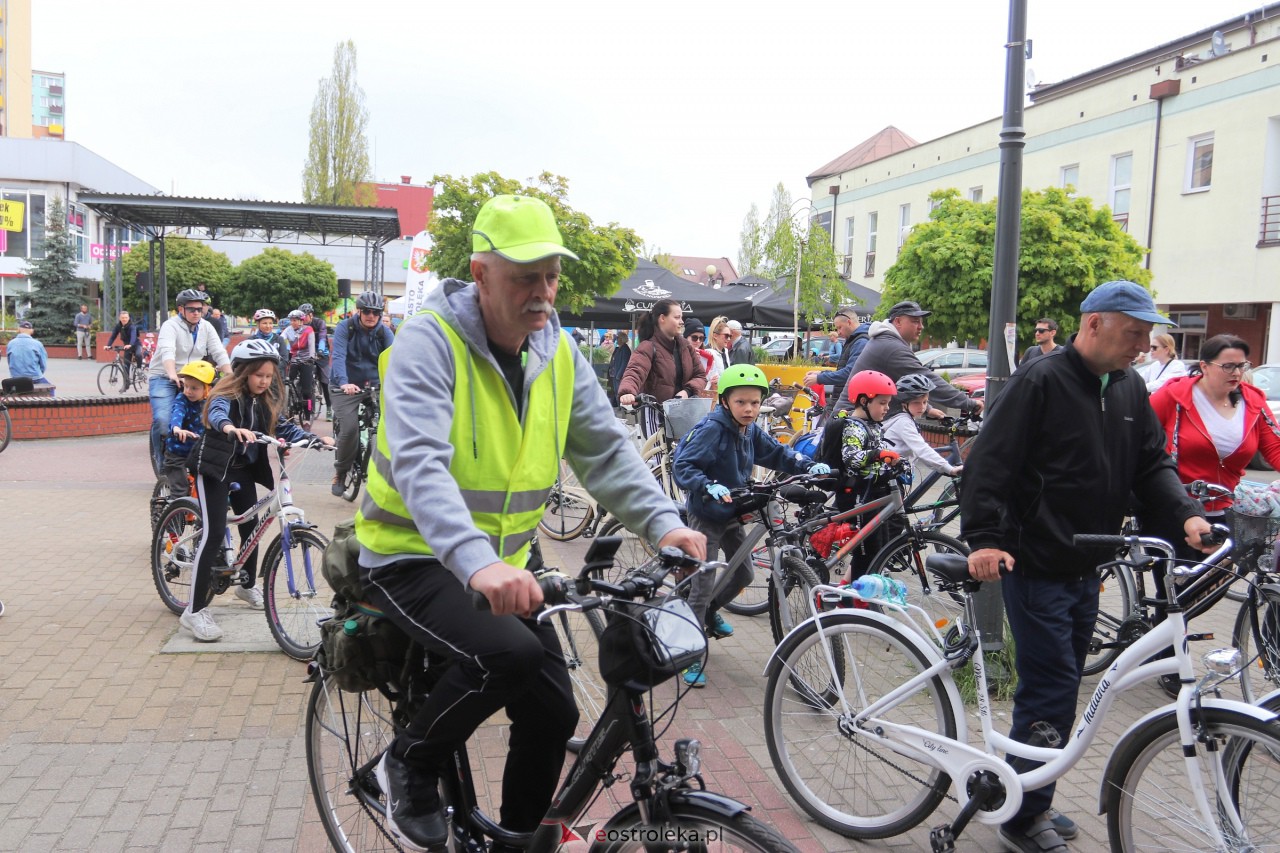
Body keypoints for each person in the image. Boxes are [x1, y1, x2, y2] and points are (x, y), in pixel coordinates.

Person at [352, 194, 704, 850]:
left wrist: (664, 523)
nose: (542, 292)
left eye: (551, 276)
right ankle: (406, 763)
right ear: (480, 275)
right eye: (524, 277)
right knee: (506, 654)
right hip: (410, 553)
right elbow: (420, 463)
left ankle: (516, 843)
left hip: (504, 564)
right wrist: (478, 563)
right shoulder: (429, 342)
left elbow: (604, 450)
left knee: (555, 709)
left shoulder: (558, 351)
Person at [960, 280, 1212, 853]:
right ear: (1094, 323)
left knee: (1064, 684)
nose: (1143, 346)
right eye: (1134, 333)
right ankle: (1023, 816)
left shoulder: (1127, 387)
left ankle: (1022, 790)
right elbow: (989, 463)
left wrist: (1186, 515)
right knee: (1051, 688)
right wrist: (984, 539)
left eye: (1148, 336)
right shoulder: (1040, 380)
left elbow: (1151, 464)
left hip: (1087, 564)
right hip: (1035, 561)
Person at [672, 364, 831, 685]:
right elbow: (683, 465)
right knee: (702, 584)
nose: (749, 409)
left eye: (755, 403)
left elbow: (776, 453)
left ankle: (708, 611)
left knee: (744, 573)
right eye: (741, 402)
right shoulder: (713, 429)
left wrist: (807, 464)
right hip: (707, 513)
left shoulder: (749, 429)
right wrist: (706, 485)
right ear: (724, 401)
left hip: (732, 510)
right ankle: (688, 652)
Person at [181, 339, 333, 644]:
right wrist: (229, 428)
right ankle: (194, 611)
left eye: (268, 376)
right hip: (214, 467)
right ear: (243, 372)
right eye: (258, 375)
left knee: (251, 526)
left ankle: (247, 585)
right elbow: (217, 414)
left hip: (243, 469)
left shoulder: (266, 400)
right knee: (213, 533)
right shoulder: (226, 394)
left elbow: (283, 427)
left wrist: (314, 439)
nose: (264, 381)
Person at [1147, 333, 1280, 554]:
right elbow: (1137, 435)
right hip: (1176, 508)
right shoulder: (1175, 396)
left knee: (1217, 574)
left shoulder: (1252, 402)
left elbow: (1275, 448)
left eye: (1241, 366)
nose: (1236, 373)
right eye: (1228, 366)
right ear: (1204, 366)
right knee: (1179, 574)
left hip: (1226, 509)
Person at [836, 300, 981, 419]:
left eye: (921, 322)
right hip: (853, 424)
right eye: (915, 321)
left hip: (856, 419)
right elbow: (925, 380)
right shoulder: (892, 347)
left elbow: (904, 385)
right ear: (898, 321)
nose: (921, 327)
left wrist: (927, 409)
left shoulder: (887, 341)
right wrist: (970, 404)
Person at [818, 370, 901, 577]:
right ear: (864, 401)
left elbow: (880, 452)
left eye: (888, 403)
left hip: (873, 492)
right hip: (858, 495)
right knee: (866, 551)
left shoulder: (872, 425)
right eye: (882, 403)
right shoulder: (853, 427)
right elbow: (851, 457)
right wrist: (878, 455)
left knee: (880, 546)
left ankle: (863, 587)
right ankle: (855, 593)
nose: (887, 408)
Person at [148, 289, 231, 473]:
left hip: (192, 377)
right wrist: (172, 374)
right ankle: (162, 465)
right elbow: (167, 351)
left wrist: (231, 377)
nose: (196, 313)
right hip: (164, 376)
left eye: (199, 309)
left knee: (204, 418)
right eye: (191, 309)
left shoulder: (206, 327)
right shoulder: (170, 326)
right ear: (181, 309)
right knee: (163, 421)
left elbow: (219, 351)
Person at [329, 291, 394, 496]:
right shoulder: (345, 328)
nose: (371, 316)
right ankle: (341, 472)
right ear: (359, 311)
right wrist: (344, 382)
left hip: (375, 386)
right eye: (367, 311)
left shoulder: (385, 333)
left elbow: (394, 360)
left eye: (376, 312)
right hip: (345, 386)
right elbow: (338, 356)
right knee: (349, 430)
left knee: (391, 426)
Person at [616, 298, 707, 406]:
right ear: (662, 318)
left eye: (681, 317)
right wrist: (627, 392)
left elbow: (700, 376)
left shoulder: (686, 347)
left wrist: (687, 391)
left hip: (685, 413)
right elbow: (635, 372)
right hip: (656, 413)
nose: (682, 321)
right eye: (677, 317)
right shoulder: (647, 347)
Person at [881, 373, 963, 478]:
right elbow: (922, 449)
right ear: (904, 404)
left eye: (925, 402)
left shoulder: (906, 419)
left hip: (894, 471)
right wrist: (949, 469)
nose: (922, 407)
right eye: (916, 403)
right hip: (887, 474)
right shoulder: (904, 423)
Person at [162, 360, 215, 499]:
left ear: (207, 389)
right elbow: (177, 413)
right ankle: (175, 511)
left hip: (198, 452)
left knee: (207, 485)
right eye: (186, 386)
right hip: (177, 452)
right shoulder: (182, 399)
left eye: (194, 388)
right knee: (180, 489)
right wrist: (177, 428)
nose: (188, 391)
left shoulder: (210, 404)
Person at [803, 307, 865, 394]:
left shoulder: (860, 342)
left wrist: (819, 378)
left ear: (849, 322)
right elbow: (844, 370)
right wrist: (821, 373)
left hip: (851, 395)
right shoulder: (854, 340)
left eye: (840, 327)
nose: (838, 332)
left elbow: (850, 373)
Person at [282, 310, 317, 428]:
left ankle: (307, 417)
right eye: (291, 320)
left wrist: (311, 357)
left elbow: (311, 345)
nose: (293, 322)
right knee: (287, 382)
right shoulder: (288, 330)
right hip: (294, 360)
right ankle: (289, 404)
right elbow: (281, 341)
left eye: (295, 320)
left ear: (301, 321)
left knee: (307, 391)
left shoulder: (308, 330)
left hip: (306, 361)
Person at [299, 304, 331, 417]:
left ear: (311, 315)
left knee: (325, 381)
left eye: (305, 316)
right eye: (301, 317)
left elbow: (322, 337)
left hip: (321, 352)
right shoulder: (299, 325)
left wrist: (321, 350)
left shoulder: (319, 323)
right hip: (306, 352)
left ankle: (329, 407)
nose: (302, 319)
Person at [5, 321, 49, 385]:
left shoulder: (10, 344)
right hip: (35, 378)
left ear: (19, 329)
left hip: (15, 378)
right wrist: (37, 374)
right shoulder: (37, 344)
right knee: (50, 389)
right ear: (32, 331)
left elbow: (10, 362)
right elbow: (43, 365)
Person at [105, 310, 143, 374]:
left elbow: (133, 336)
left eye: (126, 317)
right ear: (119, 318)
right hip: (127, 346)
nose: (124, 319)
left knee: (138, 355)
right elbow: (113, 336)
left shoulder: (132, 326)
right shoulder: (118, 326)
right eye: (122, 318)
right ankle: (126, 380)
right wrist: (108, 345)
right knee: (126, 366)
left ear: (128, 318)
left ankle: (139, 368)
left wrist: (130, 344)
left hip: (136, 345)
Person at [683, 316, 714, 382]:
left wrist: (713, 383)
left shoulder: (707, 356)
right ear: (686, 337)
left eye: (701, 338)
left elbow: (707, 378)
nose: (698, 341)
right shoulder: (677, 353)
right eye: (694, 338)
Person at [606, 330, 632, 407]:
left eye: (618, 338)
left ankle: (621, 407)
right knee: (615, 391)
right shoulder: (618, 349)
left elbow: (625, 363)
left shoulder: (625, 349)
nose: (616, 339)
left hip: (618, 375)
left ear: (621, 339)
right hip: (614, 374)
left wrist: (619, 375)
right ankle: (618, 406)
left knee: (619, 391)